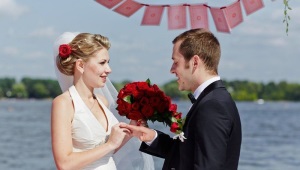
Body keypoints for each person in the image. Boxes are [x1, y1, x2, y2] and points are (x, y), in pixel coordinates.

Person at [122, 28, 242, 170]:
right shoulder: (211, 99)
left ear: (195, 62)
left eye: (175, 62)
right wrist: (152, 136)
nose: (172, 69)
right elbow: (186, 154)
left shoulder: (212, 105)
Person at [51, 32, 154, 170]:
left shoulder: (102, 101)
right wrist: (110, 144)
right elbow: (64, 163)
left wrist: (130, 128)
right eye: (102, 63)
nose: (109, 70)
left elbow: (106, 153)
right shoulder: (64, 103)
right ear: (81, 65)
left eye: (108, 63)